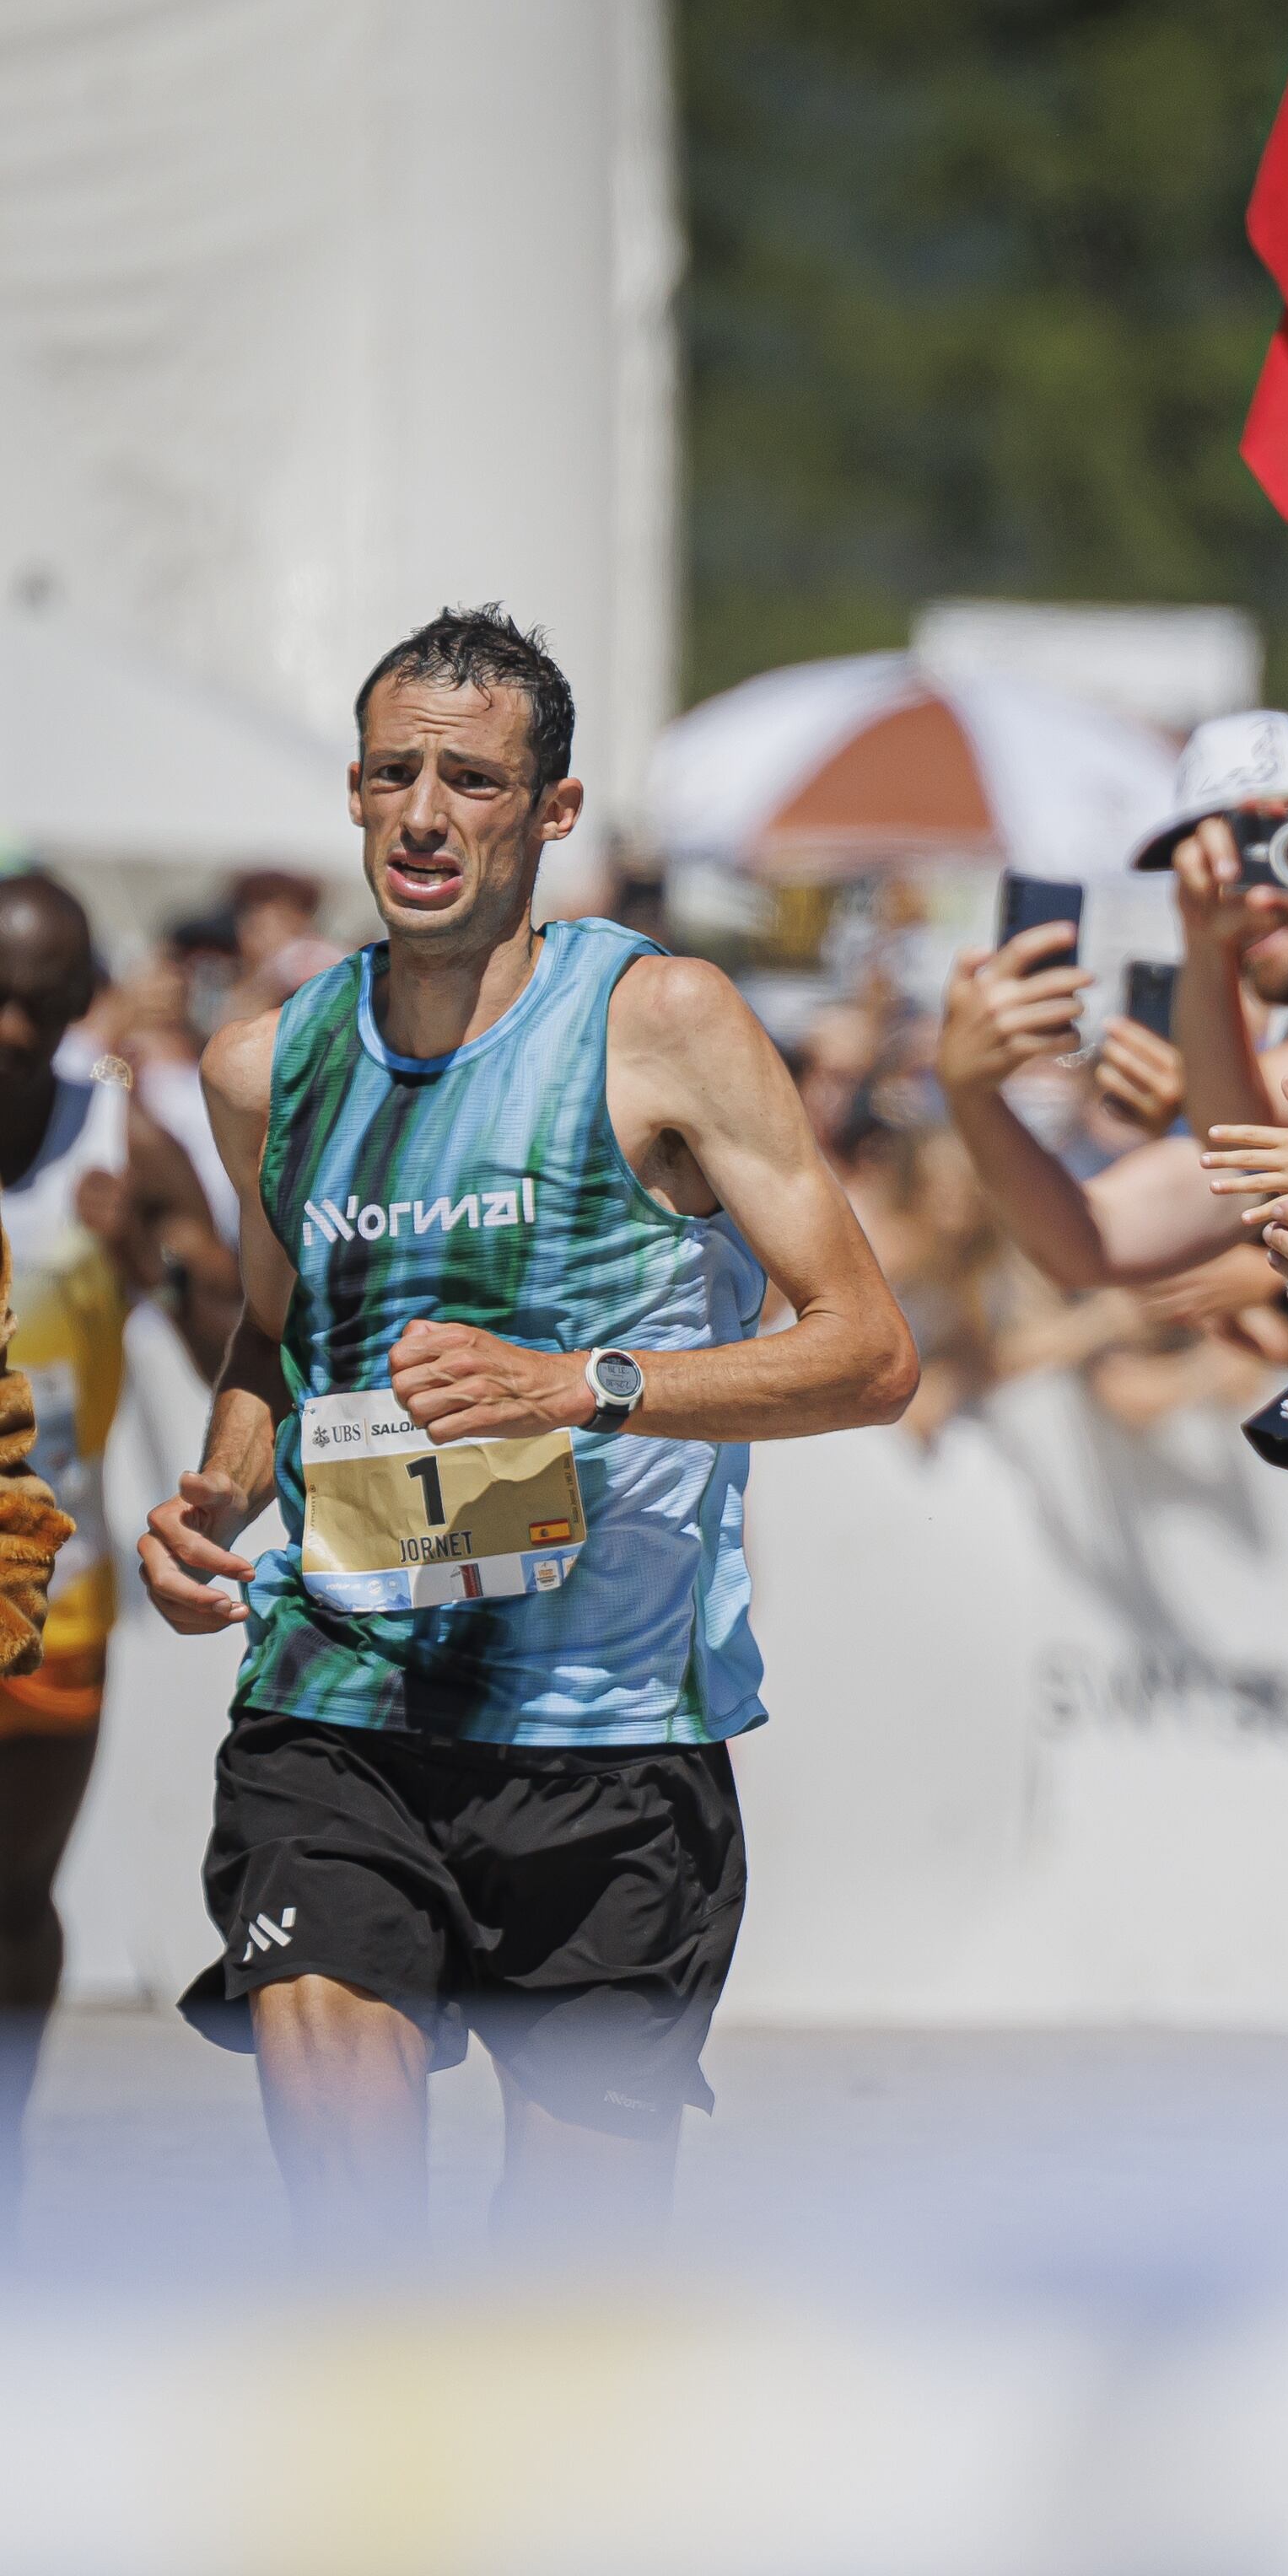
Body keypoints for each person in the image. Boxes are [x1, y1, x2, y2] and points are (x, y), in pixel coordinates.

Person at [134, 606, 917, 2246]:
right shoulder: (263, 1067)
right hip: (340, 1701)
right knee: (354, 2239)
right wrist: (213, 1488)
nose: (425, 814)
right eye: (395, 773)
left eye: (472, 779)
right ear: (353, 792)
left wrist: (586, 1384)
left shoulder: (666, 1022)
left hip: (609, 1736)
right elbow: (275, 1338)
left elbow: (864, 1353)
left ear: (550, 814)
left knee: (560, 2290)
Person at [0, 872, 243, 2180]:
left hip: (52, 1594)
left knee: (12, 1901)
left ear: (82, 1002)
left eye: (41, 1004)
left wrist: (151, 1269)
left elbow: (236, 1343)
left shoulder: (120, 1145)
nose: (13, 1032)